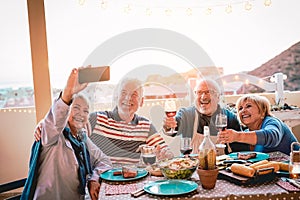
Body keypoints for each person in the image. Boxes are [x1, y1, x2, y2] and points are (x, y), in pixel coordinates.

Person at [22, 67, 112, 200]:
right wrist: (67, 94)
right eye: (76, 108)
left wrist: (94, 179)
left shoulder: (81, 138)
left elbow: (103, 160)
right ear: (67, 110)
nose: (81, 114)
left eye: (86, 111)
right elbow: (56, 119)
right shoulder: (53, 135)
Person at [89, 77, 173, 164]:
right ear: (116, 97)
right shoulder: (97, 119)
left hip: (133, 176)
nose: (128, 98)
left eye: (134, 95)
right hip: (101, 176)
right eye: (123, 93)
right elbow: (75, 137)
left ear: (141, 102)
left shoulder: (146, 126)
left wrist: (166, 154)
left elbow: (164, 149)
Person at [163, 78, 250, 154]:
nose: (203, 97)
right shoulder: (186, 114)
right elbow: (175, 126)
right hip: (192, 167)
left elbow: (240, 151)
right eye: (199, 92)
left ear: (218, 97)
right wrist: (169, 126)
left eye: (208, 92)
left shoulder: (230, 118)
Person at [218, 94, 298, 155]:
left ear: (262, 111)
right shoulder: (247, 133)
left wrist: (237, 136)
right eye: (240, 108)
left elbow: (272, 137)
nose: (243, 111)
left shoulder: (272, 122)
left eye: (248, 106)